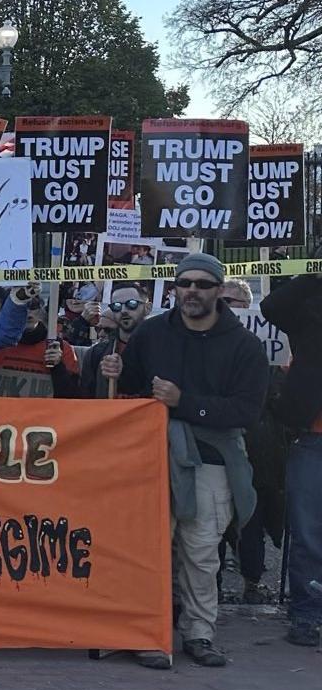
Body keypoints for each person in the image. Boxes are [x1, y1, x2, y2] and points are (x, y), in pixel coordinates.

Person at [101, 254, 265, 669]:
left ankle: (199, 633)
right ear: (174, 288)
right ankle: (144, 633)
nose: (192, 290)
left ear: (219, 291)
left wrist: (186, 403)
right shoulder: (153, 332)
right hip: (152, 456)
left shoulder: (245, 345)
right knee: (147, 548)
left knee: (201, 551)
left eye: (202, 284)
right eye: (184, 283)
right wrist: (112, 369)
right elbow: (133, 386)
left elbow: (246, 411)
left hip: (210, 461)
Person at [260, 273, 322, 647]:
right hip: (312, 437)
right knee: (308, 534)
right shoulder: (311, 312)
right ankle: (307, 613)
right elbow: (271, 306)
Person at [0, 301, 81, 399]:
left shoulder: (60, 348)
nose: (28, 313)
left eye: (33, 306)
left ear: (41, 311)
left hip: (42, 420)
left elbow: (73, 398)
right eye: (21, 307)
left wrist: (58, 367)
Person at [79, 284, 150, 399]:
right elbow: (85, 400)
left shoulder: (162, 351)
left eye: (131, 304)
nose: (123, 311)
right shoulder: (96, 354)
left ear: (147, 308)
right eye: (116, 306)